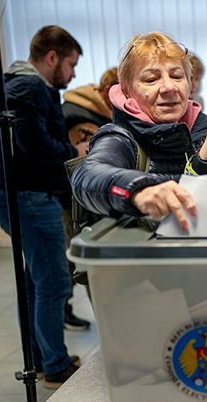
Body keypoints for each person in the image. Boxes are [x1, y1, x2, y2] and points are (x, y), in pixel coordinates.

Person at [0, 25, 85, 388]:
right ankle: (56, 367)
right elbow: (34, 144)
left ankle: (44, 360)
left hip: (18, 192)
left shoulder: (10, 84)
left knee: (36, 282)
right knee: (55, 281)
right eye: (71, 64)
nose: (73, 74)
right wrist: (72, 152)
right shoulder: (28, 87)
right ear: (52, 58)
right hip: (28, 195)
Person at [70, 32, 207, 233]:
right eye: (151, 79)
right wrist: (138, 190)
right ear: (128, 91)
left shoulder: (199, 131)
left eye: (177, 76)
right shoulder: (120, 137)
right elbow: (87, 176)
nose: (169, 87)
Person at [60, 66, 119, 332]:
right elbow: (88, 168)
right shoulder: (82, 119)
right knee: (81, 265)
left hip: (87, 203)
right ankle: (106, 329)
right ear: (108, 93)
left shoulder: (95, 112)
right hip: (76, 204)